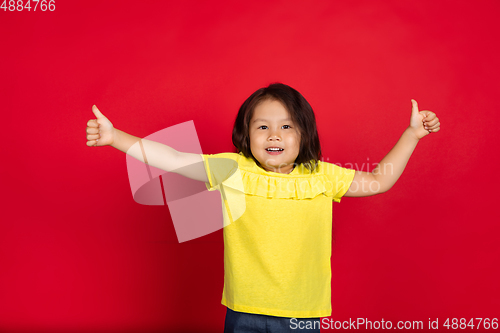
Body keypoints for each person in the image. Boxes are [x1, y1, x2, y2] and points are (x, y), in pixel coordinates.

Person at [85, 83, 440, 332]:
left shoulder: (322, 176)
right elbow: (175, 159)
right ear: (246, 134)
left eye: (286, 126)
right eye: (263, 126)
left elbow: (379, 181)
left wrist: (410, 135)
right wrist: (115, 137)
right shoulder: (233, 169)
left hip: (301, 315)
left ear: (304, 134)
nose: (274, 135)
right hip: (243, 311)